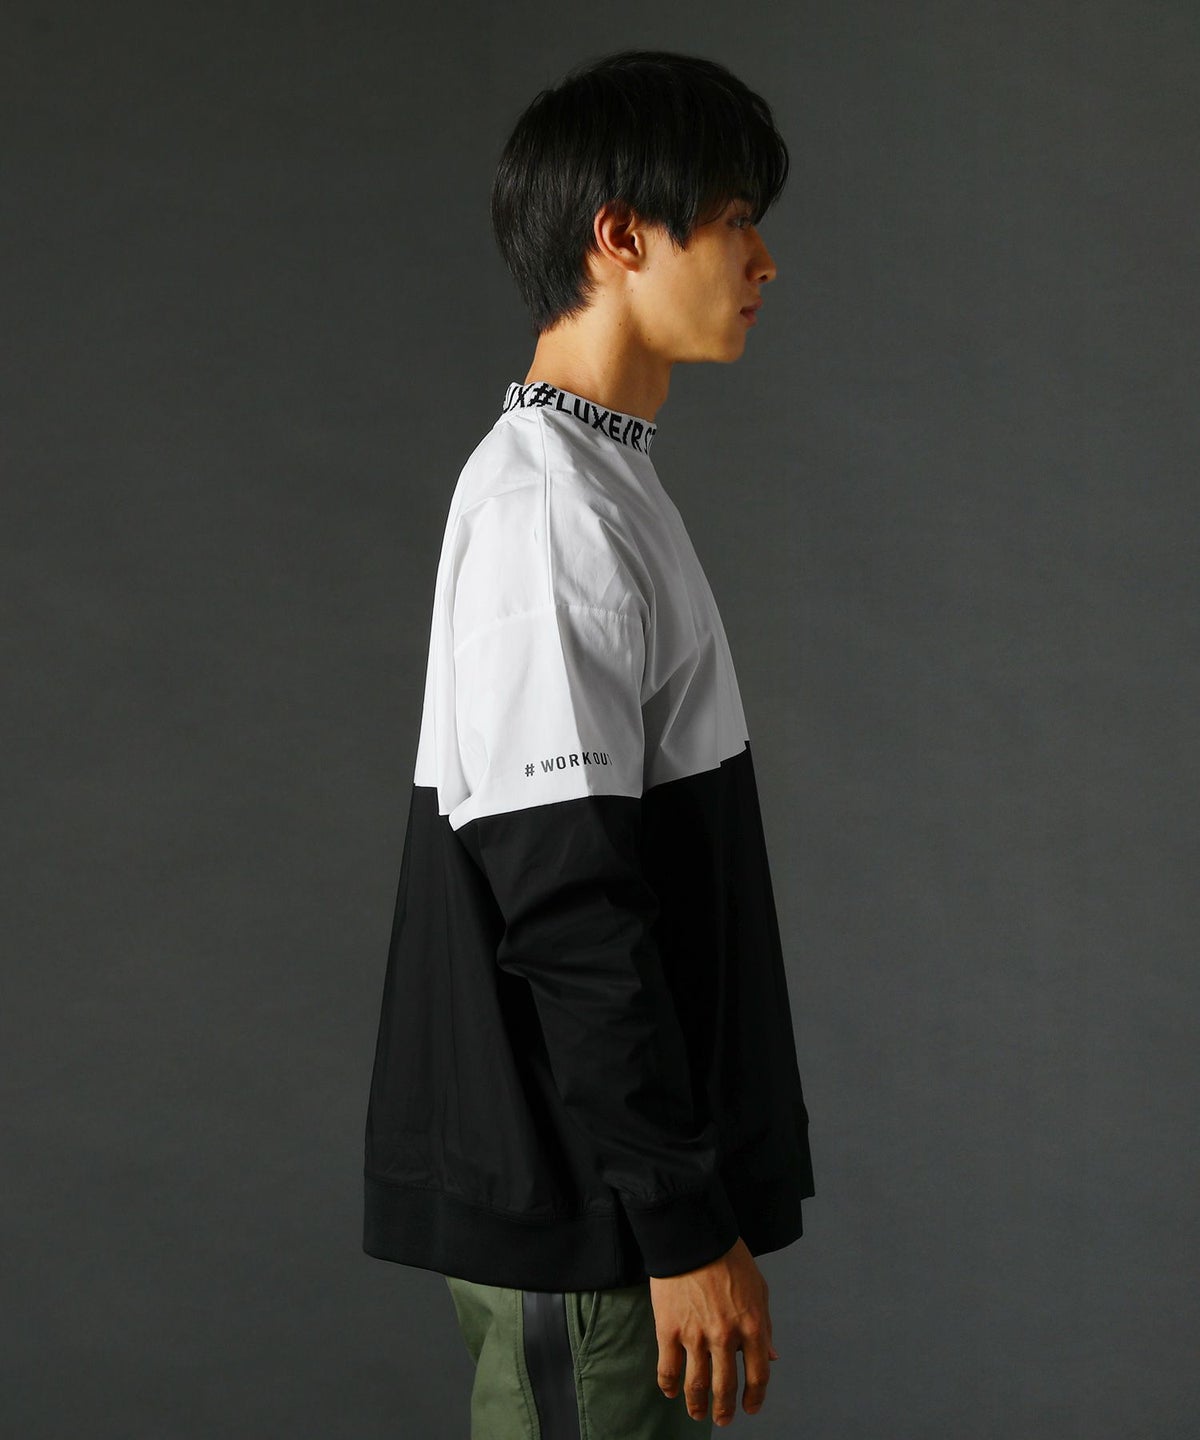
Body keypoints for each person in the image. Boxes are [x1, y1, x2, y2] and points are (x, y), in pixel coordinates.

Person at [362, 48, 814, 1438]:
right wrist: (679, 1225)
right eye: (733, 219)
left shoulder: (602, 478)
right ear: (620, 235)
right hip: (599, 1226)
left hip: (624, 1213)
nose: (764, 260)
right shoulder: (547, 512)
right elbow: (565, 904)